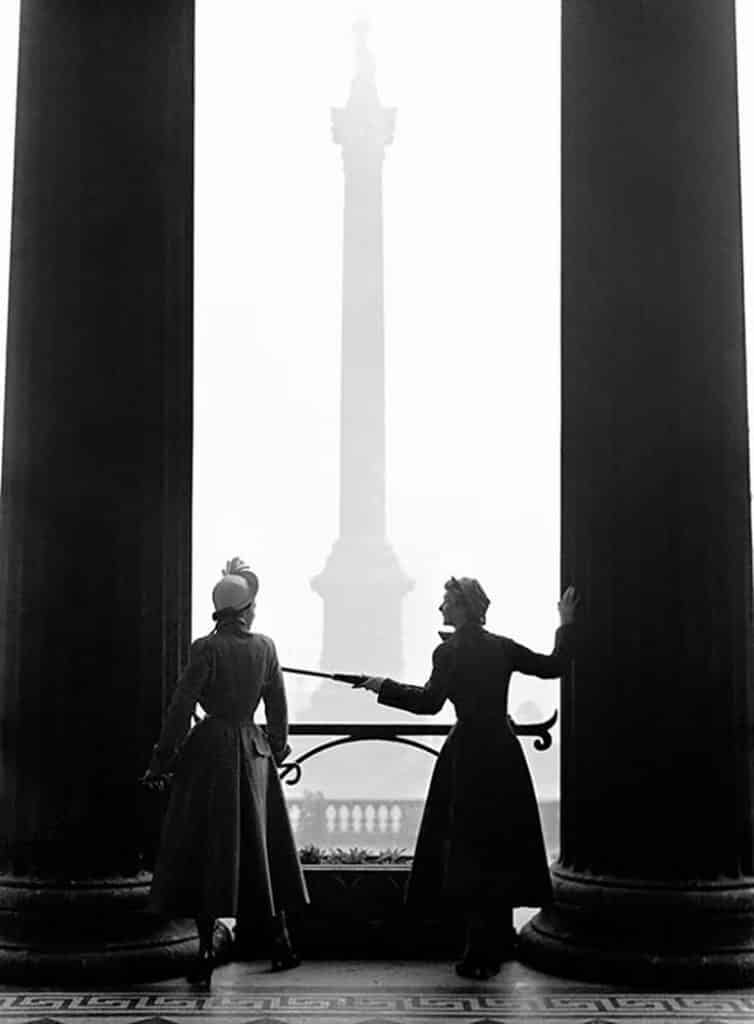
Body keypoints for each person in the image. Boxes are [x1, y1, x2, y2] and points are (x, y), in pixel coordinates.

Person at [357, 577, 578, 980]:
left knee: (468, 847)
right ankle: (496, 940)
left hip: (466, 756)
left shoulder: (448, 651)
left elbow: (428, 704)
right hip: (503, 752)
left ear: (461, 609)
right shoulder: (502, 647)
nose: (440, 609)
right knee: (499, 844)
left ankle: (477, 950)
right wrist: (565, 623)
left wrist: (382, 686)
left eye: (445, 603)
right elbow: (553, 667)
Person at [140, 557, 308, 988]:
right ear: (248, 609)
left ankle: (205, 951)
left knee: (206, 850)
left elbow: (180, 710)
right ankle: (282, 942)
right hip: (254, 754)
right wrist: (275, 748)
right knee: (263, 849)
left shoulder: (205, 649)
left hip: (209, 751)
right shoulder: (266, 647)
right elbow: (278, 711)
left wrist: (161, 760)